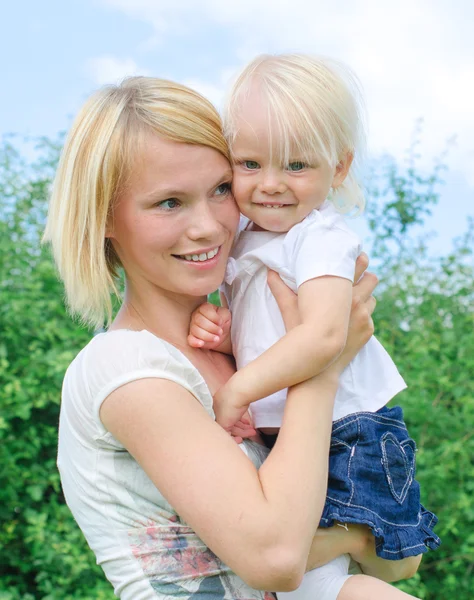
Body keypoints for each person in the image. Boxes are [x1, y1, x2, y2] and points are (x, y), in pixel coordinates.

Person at [44, 76, 421, 600]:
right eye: (169, 202)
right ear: (105, 216)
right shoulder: (127, 369)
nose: (210, 226)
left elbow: (396, 562)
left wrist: (357, 533)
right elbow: (279, 559)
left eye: (221, 189)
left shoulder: (247, 351)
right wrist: (323, 365)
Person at [188, 55, 440, 600]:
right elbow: (274, 333)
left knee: (275, 559)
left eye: (297, 166)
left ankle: (351, 538)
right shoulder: (249, 240)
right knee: (319, 590)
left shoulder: (320, 237)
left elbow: (326, 335)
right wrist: (226, 335)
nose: (271, 184)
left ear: (339, 168)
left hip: (348, 433)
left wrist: (239, 388)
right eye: (250, 164)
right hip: (301, 431)